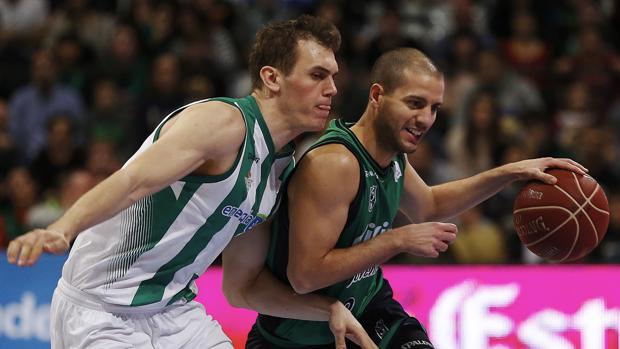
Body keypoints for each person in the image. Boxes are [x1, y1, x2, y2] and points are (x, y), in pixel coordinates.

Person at [7, 15, 375, 349]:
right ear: (272, 78)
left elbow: (242, 289)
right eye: (317, 75)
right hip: (101, 309)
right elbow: (131, 181)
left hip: (175, 315)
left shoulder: (277, 170)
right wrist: (63, 227)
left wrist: (326, 310)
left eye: (333, 77)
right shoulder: (224, 123)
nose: (333, 89)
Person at [238, 48, 587, 348]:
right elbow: (306, 276)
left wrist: (511, 171)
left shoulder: (392, 155)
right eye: (415, 104)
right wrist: (398, 239)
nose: (426, 119)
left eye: (434, 108)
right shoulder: (335, 164)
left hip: (369, 306)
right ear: (377, 96)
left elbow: (430, 205)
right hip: (299, 335)